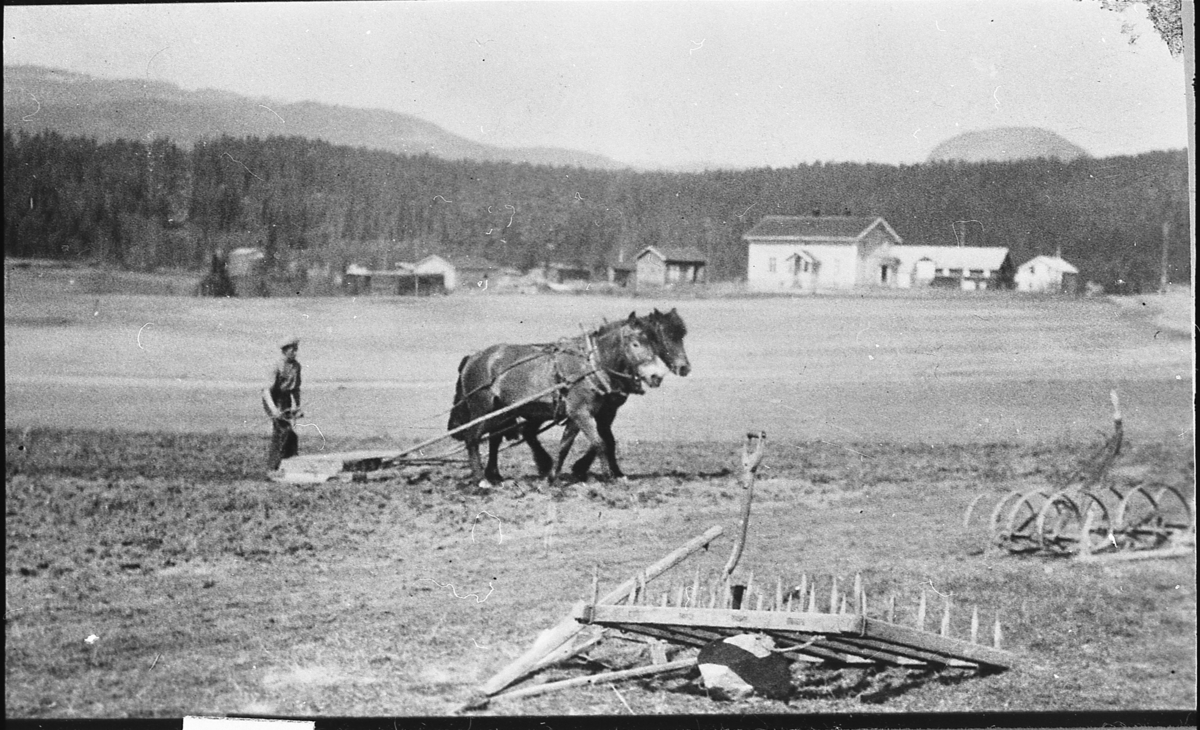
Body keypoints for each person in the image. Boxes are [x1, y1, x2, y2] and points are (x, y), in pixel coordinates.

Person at [263, 336, 302, 473]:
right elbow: (266, 391)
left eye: (296, 349)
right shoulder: (276, 365)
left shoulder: (296, 366)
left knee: (291, 434)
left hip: (285, 398)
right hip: (272, 398)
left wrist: (298, 407)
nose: (295, 352)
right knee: (282, 430)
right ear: (285, 350)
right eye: (293, 350)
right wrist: (274, 409)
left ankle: (290, 463)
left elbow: (295, 389)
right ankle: (273, 468)